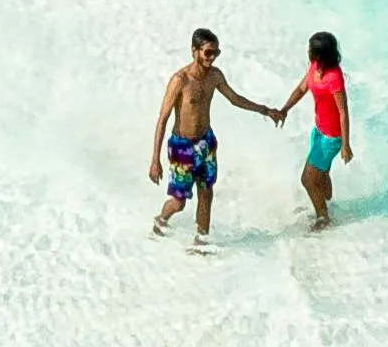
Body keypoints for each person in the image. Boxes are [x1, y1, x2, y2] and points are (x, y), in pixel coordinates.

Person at [147, 28, 275, 241]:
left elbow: (235, 99)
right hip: (182, 147)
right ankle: (161, 219)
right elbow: (163, 119)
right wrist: (154, 160)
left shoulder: (215, 76)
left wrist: (265, 110)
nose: (212, 57)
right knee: (179, 203)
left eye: (216, 53)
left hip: (206, 143)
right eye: (208, 53)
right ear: (194, 51)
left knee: (206, 193)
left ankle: (201, 241)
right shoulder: (180, 80)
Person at [281, 29, 353, 224]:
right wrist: (284, 109)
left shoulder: (334, 77)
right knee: (320, 177)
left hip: (332, 138)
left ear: (320, 54)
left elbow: (343, 112)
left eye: (310, 49)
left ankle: (323, 217)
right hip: (319, 131)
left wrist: (345, 145)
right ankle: (328, 202)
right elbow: (301, 89)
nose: (307, 52)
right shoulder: (314, 67)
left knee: (307, 179)